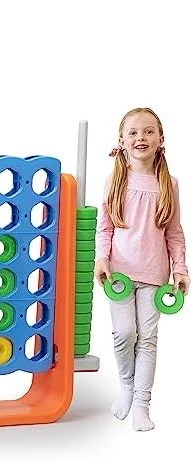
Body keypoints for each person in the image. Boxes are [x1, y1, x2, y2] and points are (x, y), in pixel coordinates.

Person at [95, 107, 190, 432]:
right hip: (119, 274)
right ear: (121, 140)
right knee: (124, 333)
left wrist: (180, 269)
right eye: (133, 132)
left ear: (161, 139)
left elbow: (174, 232)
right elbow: (105, 227)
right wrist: (102, 258)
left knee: (147, 338)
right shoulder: (115, 180)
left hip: (154, 276)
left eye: (149, 131)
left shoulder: (170, 184)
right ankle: (126, 387)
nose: (141, 137)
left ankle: (141, 403)